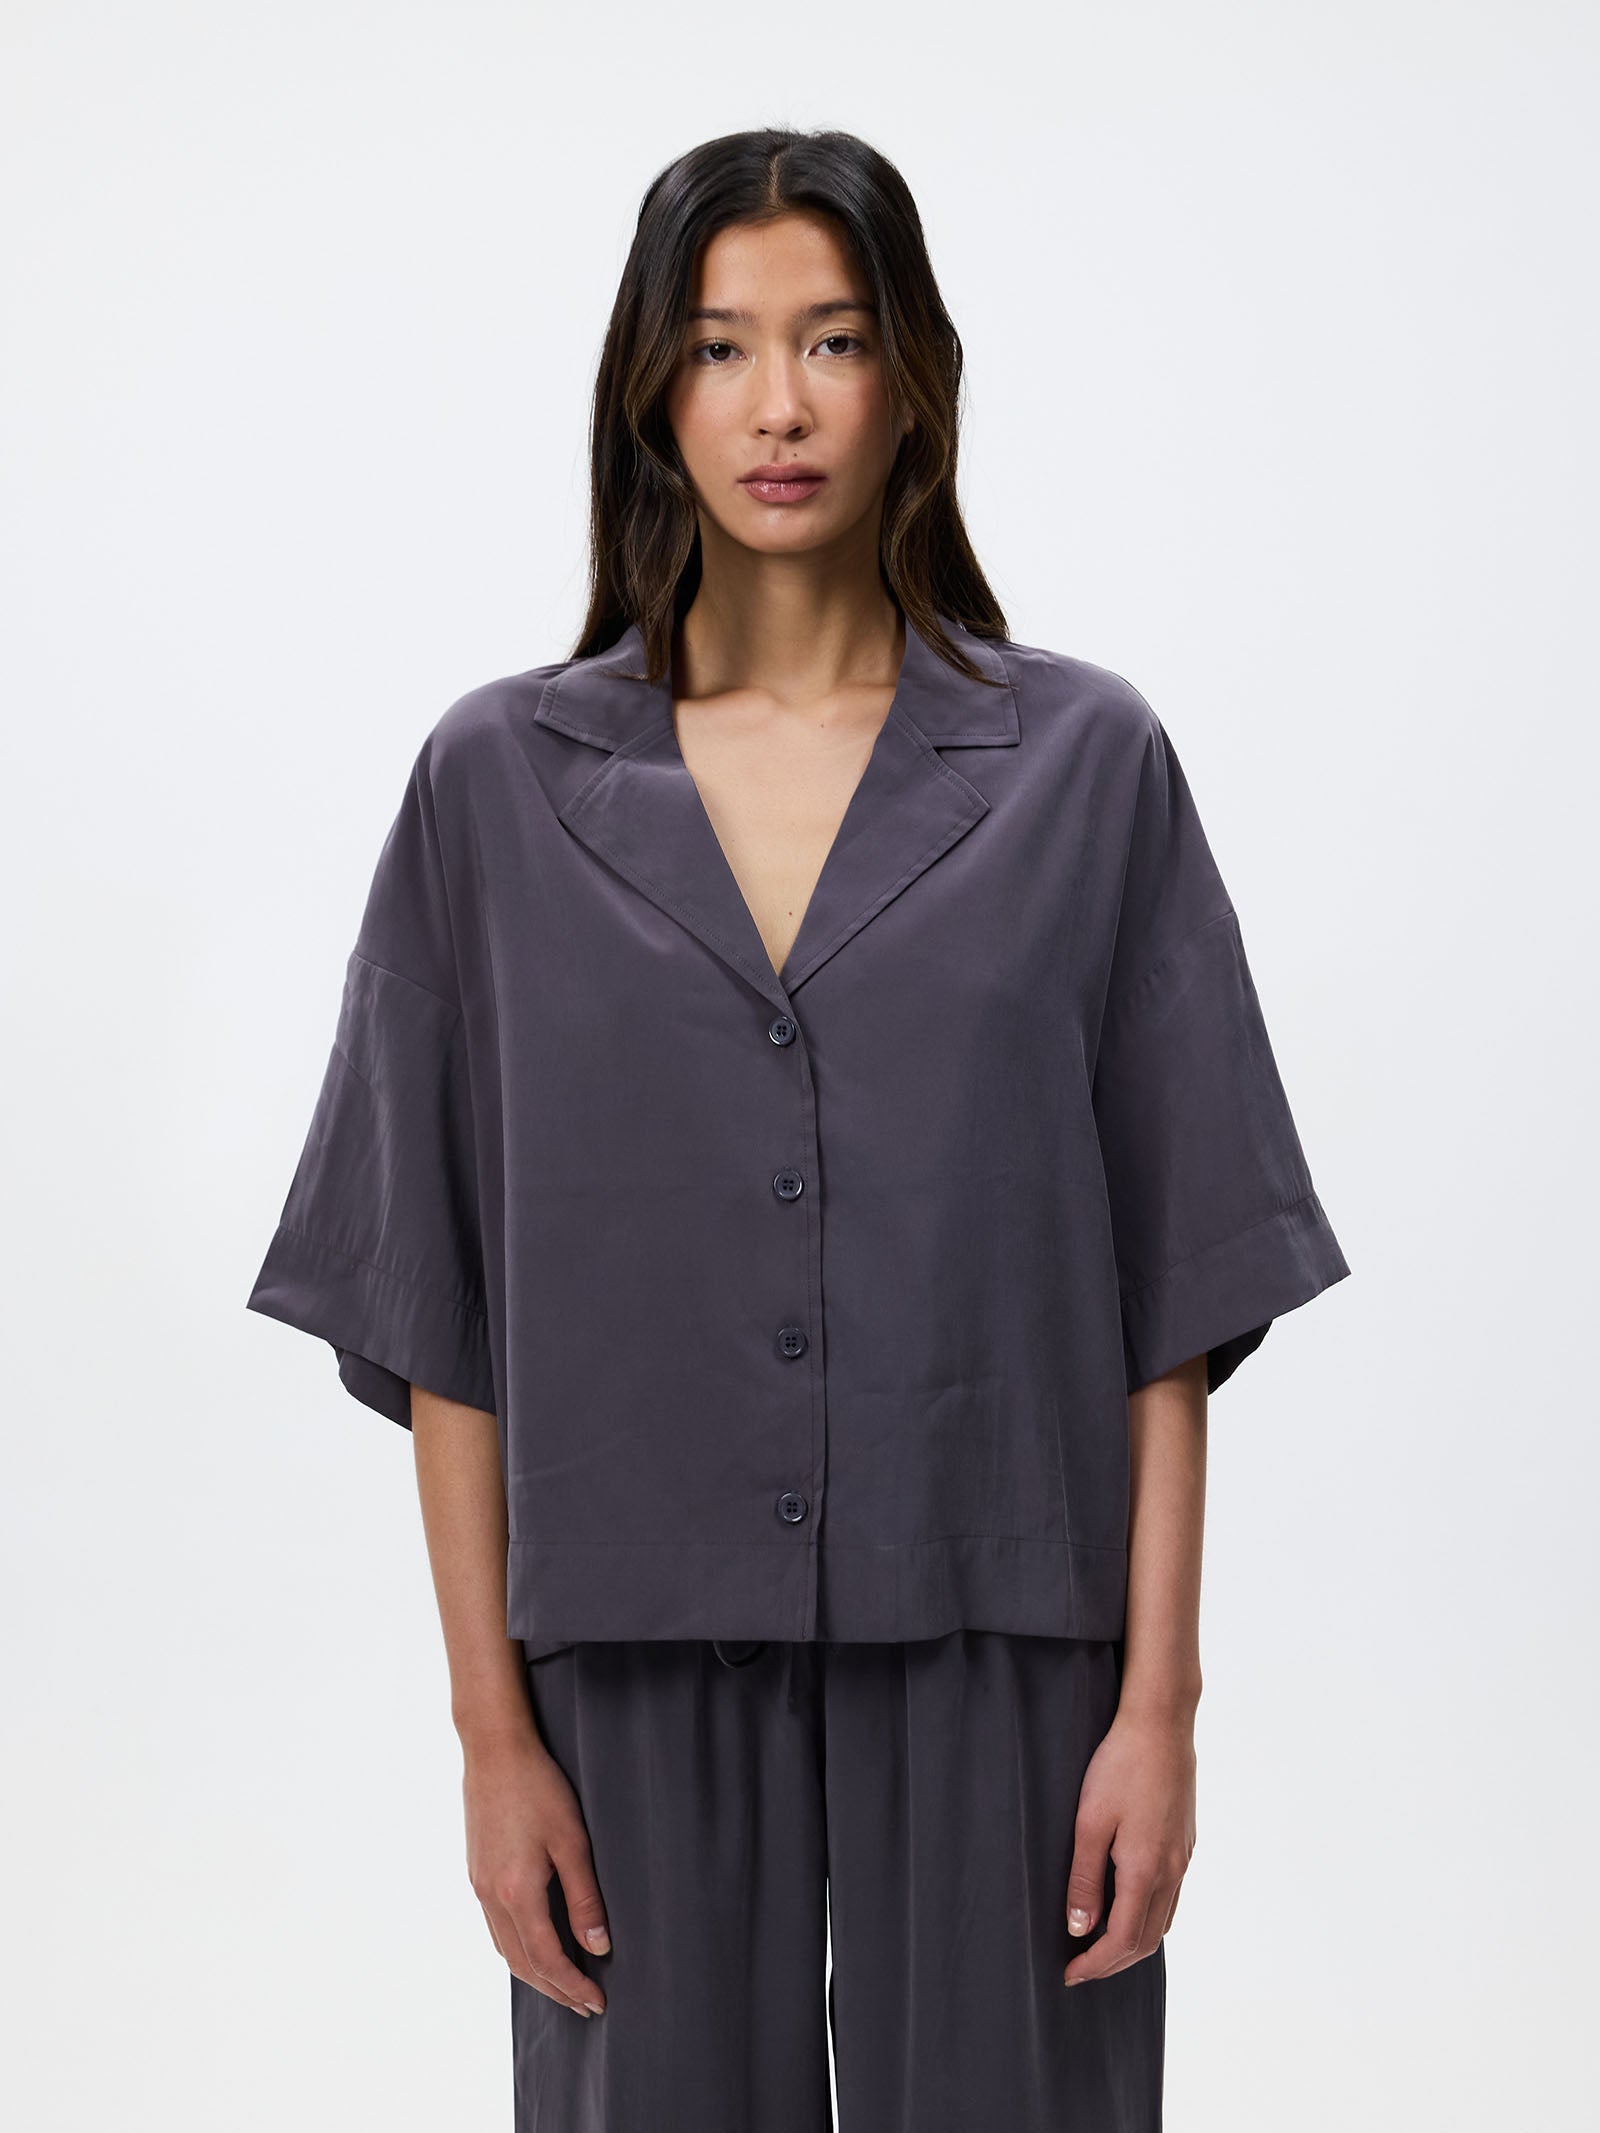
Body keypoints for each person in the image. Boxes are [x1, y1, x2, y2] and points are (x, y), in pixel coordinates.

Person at [246, 126, 1351, 2131]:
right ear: (650, 392)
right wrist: (492, 1740)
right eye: (721, 346)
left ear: (911, 376)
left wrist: (1158, 1709)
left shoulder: (1086, 767)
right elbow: (437, 1314)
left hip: (1006, 1636)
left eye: (832, 341)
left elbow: (1173, 1297)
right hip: (625, 1653)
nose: (779, 404)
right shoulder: (492, 787)